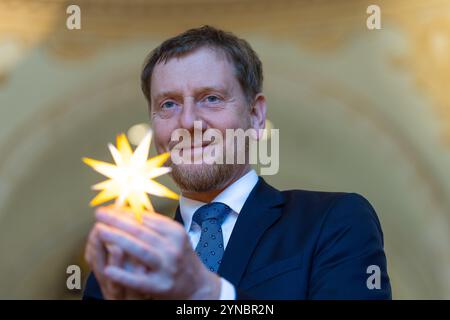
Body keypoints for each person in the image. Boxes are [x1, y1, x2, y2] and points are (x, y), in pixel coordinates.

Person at [83, 25, 391, 300]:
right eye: (168, 104)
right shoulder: (125, 264)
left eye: (211, 98)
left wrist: (207, 293)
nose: (188, 121)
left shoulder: (333, 222)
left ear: (256, 116)